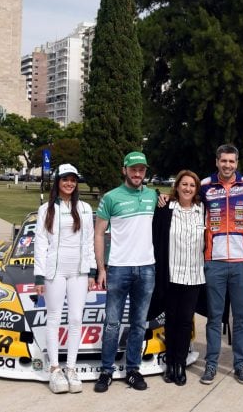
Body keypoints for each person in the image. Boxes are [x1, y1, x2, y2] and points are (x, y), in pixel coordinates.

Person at [93, 151, 157, 393]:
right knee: (111, 324)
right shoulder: (111, 198)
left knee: (139, 324)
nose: (137, 173)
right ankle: (106, 370)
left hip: (147, 268)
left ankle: (132, 369)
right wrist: (101, 267)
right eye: (133, 169)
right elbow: (98, 233)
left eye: (141, 169)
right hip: (118, 268)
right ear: (124, 170)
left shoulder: (152, 196)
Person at [33, 163, 96, 394]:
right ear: (57, 182)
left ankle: (71, 368)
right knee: (54, 318)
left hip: (78, 271)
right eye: (65, 179)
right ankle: (54, 368)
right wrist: (39, 276)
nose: (69, 183)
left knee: (77, 318)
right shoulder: (46, 209)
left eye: (73, 179)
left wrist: (91, 271)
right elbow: (40, 243)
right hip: (54, 271)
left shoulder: (86, 208)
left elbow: (89, 241)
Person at [199, 144, 243, 385]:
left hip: (242, 261)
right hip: (214, 261)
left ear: (236, 163)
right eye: (223, 161)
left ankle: (240, 365)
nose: (227, 165)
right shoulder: (204, 186)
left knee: (241, 318)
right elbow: (184, 202)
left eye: (231, 162)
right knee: (214, 317)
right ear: (216, 162)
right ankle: (211, 365)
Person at [151, 170, 205, 386]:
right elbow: (156, 238)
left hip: (193, 275)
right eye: (184, 184)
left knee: (185, 322)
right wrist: (160, 196)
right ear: (177, 186)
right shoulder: (166, 209)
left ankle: (180, 364)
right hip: (171, 274)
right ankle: (170, 363)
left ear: (196, 189)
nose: (188, 189)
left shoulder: (202, 210)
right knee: (171, 321)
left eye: (192, 185)